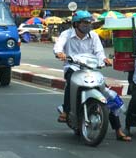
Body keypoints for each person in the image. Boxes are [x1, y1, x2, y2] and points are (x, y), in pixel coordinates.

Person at [53, 10, 129, 141]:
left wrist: (104, 60)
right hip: (73, 67)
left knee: (107, 94)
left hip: (91, 69)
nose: (88, 25)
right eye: (85, 23)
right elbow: (58, 46)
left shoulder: (93, 36)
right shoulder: (66, 34)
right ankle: (66, 111)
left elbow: (99, 52)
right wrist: (60, 53)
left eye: (89, 23)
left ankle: (118, 130)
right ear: (76, 24)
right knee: (70, 81)